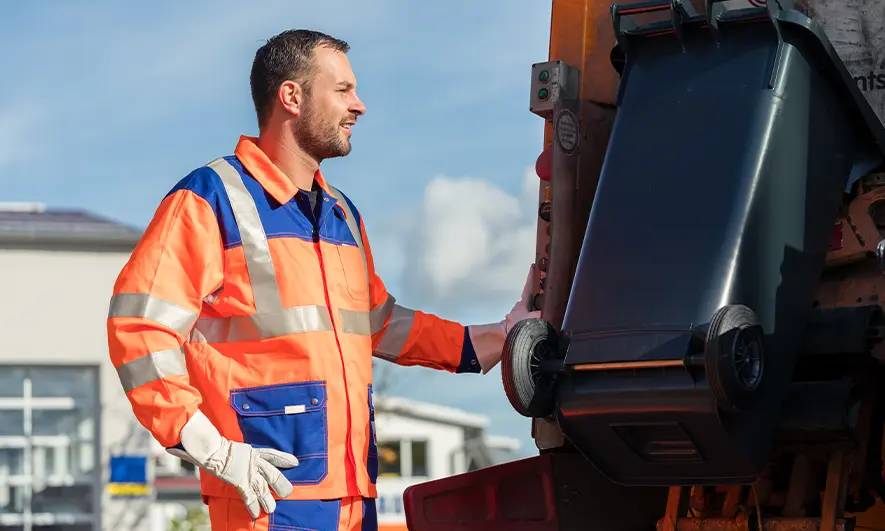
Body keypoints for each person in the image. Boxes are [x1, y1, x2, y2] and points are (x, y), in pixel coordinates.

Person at [107, 29, 536, 531]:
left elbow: (380, 324)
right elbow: (139, 328)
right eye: (343, 90)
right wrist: (212, 449)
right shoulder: (209, 200)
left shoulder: (341, 214)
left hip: (356, 497)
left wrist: (498, 339)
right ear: (292, 96)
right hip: (266, 497)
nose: (360, 106)